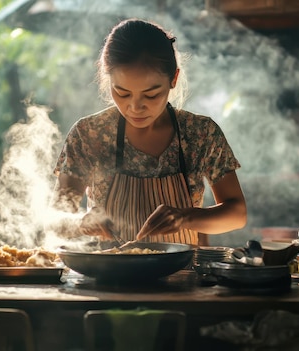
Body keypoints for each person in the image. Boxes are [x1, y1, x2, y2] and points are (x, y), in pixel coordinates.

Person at [52, 18, 246, 246]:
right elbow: (56, 219)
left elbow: (237, 214)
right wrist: (79, 223)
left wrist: (184, 217)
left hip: (184, 275)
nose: (135, 107)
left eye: (151, 94)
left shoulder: (200, 133)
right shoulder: (89, 134)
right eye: (122, 93)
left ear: (173, 79)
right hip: (106, 274)